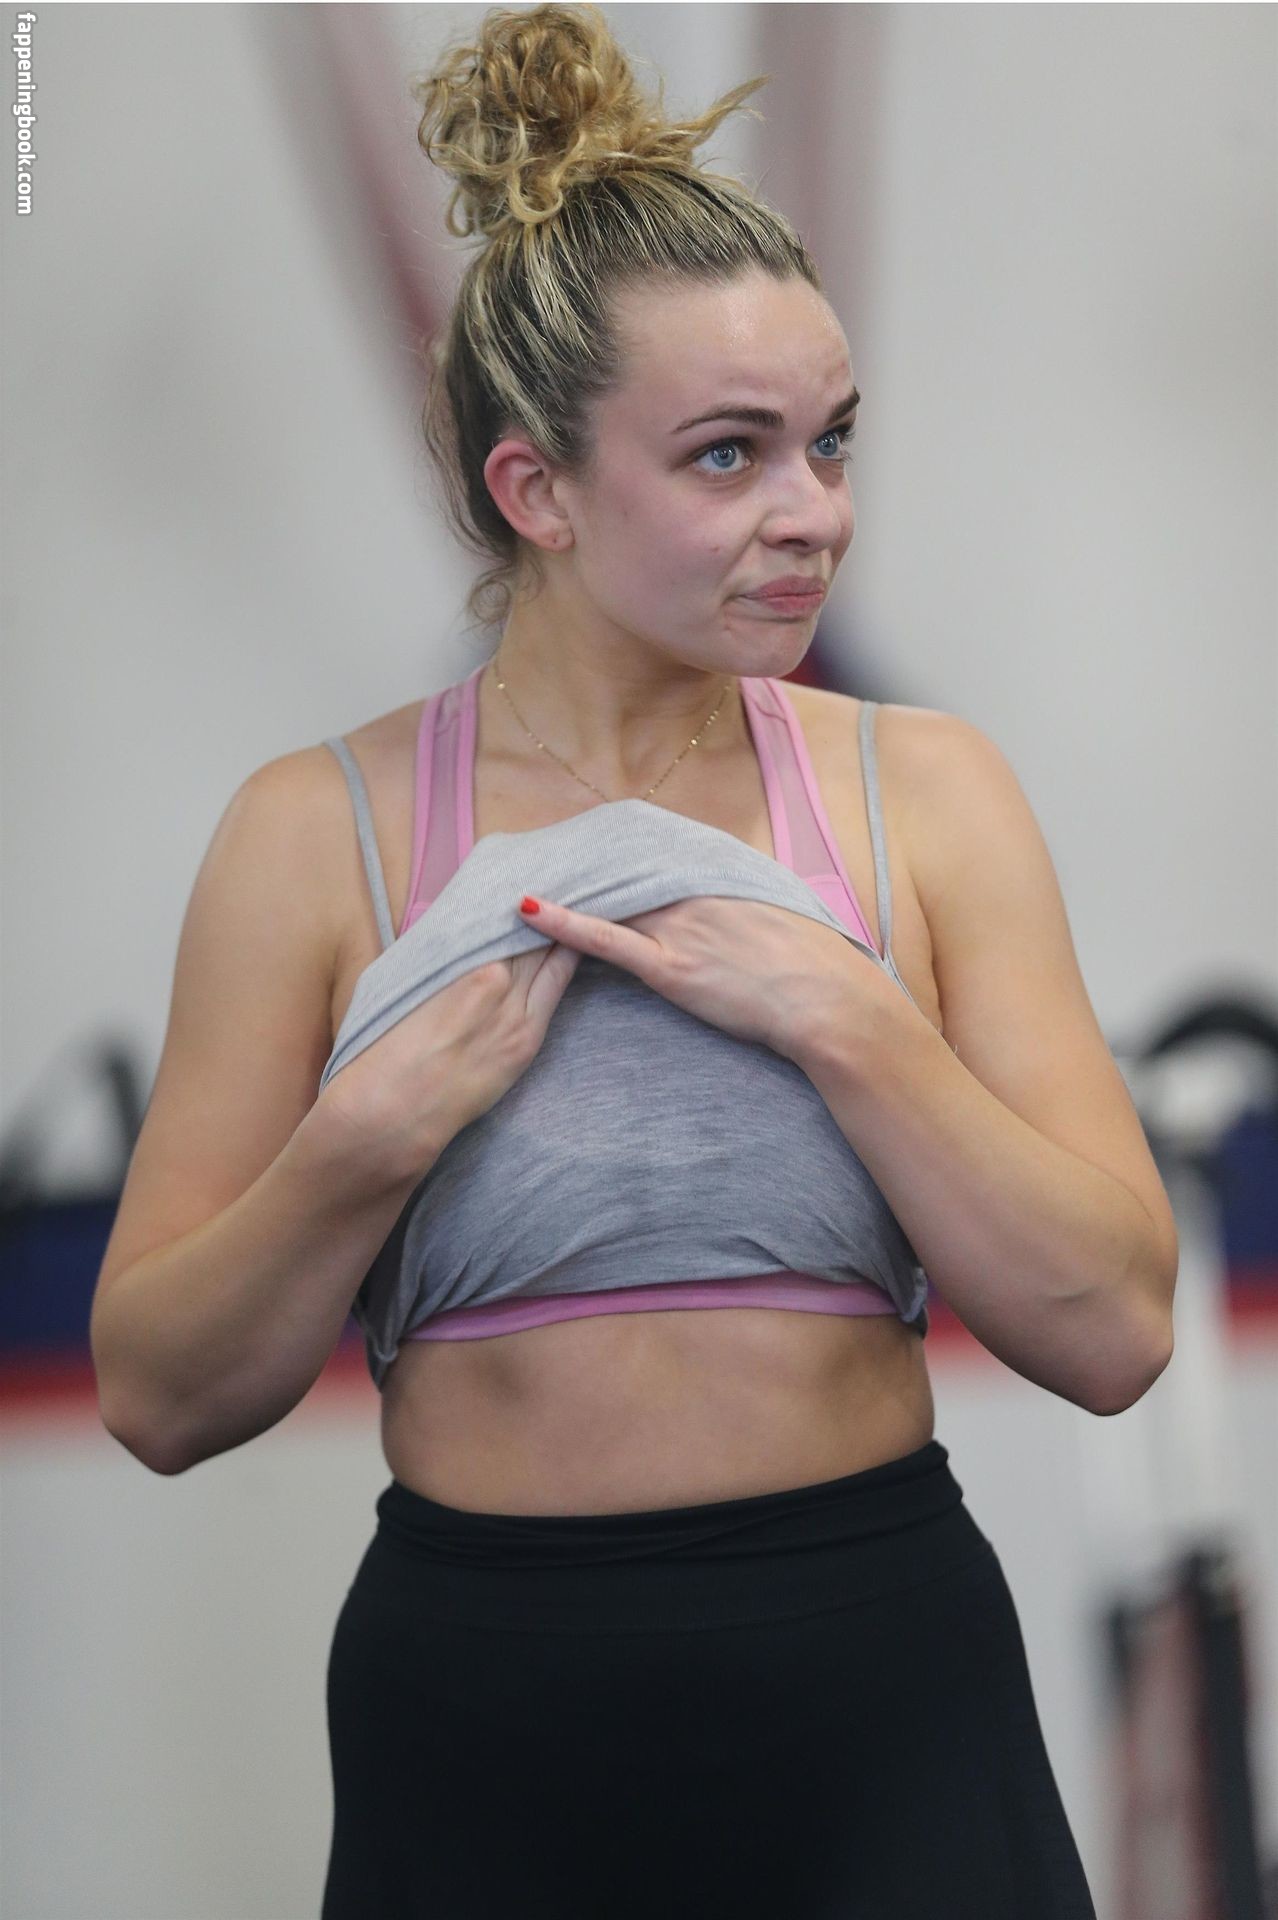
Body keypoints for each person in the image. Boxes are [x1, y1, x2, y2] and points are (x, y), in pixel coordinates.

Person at [90, 6, 1179, 1914]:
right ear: (537, 492)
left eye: (830, 442)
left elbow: (1112, 1330)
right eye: (727, 456)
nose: (812, 513)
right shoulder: (314, 835)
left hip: (878, 1678)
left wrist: (848, 1022)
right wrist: (361, 1145)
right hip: (484, 1701)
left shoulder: (924, 796)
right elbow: (161, 1395)